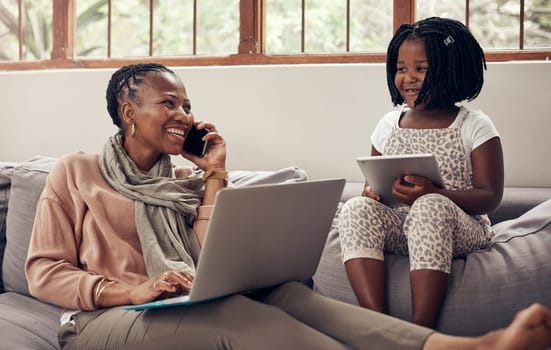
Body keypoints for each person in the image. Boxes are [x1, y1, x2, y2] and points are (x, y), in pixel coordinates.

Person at [24, 62, 550, 350]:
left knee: (288, 296)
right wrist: (133, 288)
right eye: (169, 103)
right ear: (127, 110)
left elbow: (209, 264)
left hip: (181, 303)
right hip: (103, 321)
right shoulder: (77, 171)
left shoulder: (183, 180)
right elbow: (43, 273)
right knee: (235, 312)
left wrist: (215, 176)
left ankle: (456, 348)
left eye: (187, 104)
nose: (184, 113)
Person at [338, 16, 507, 329]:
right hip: (402, 227)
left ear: (451, 70)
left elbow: (490, 196)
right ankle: (379, 326)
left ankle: (420, 331)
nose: (409, 78)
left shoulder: (473, 125)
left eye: (421, 68)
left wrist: (434, 194)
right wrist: (371, 193)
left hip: (460, 229)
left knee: (429, 206)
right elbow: (372, 184)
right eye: (401, 69)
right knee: (355, 208)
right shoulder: (389, 124)